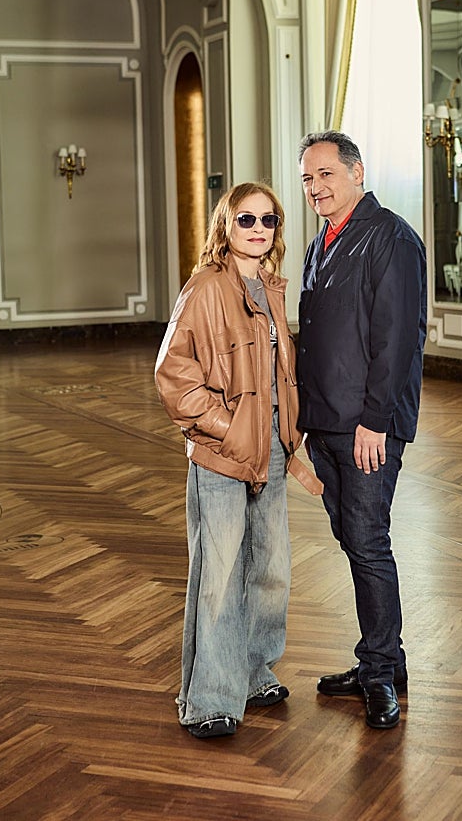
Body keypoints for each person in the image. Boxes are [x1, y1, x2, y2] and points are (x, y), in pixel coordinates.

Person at [155, 182, 321, 740]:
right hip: (222, 453)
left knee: (270, 569)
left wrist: (288, 440)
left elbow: (279, 377)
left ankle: (253, 672)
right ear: (225, 225)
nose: (257, 229)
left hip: (273, 448)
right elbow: (173, 375)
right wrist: (227, 429)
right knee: (220, 574)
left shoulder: (272, 287)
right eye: (245, 219)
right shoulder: (204, 288)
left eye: (268, 220)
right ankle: (207, 699)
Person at [296, 130, 427, 730]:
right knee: (355, 541)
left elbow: (398, 339)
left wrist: (375, 421)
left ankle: (378, 672)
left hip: (366, 428)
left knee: (369, 542)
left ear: (356, 173)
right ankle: (385, 657)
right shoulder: (319, 243)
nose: (315, 187)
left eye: (325, 174)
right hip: (324, 424)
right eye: (307, 179)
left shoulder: (391, 238)